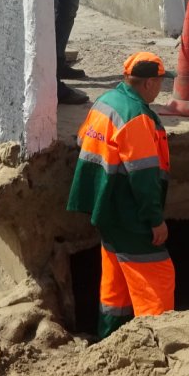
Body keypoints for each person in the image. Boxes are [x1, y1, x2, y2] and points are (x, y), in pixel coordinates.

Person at [66, 51, 176, 339]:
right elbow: (143, 176)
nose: (161, 89)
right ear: (150, 83)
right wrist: (155, 220)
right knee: (156, 280)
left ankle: (110, 338)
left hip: (105, 209)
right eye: (161, 83)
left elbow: (81, 139)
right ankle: (158, 341)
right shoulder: (136, 117)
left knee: (115, 283)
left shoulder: (105, 102)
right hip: (128, 212)